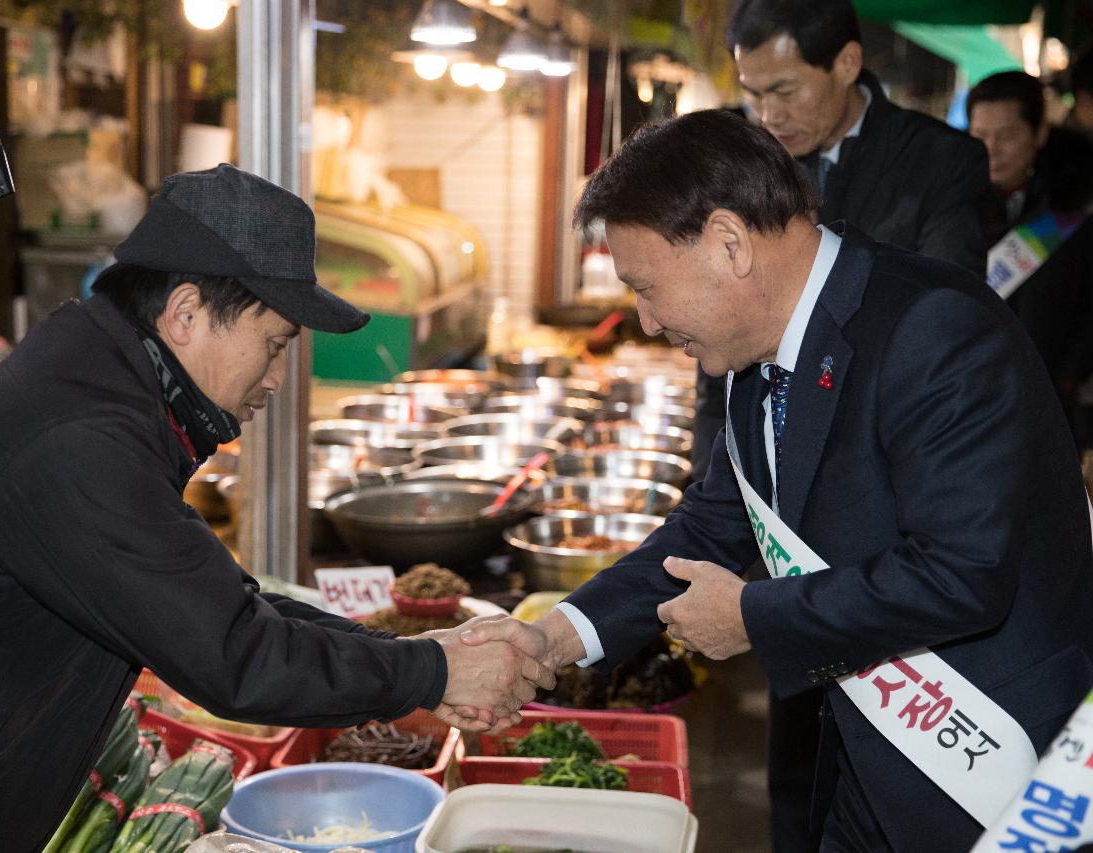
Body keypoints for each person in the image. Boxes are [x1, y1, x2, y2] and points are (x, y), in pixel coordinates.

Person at [0, 165, 548, 851]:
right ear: (186, 312)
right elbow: (234, 654)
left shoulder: (94, 399)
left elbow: (227, 607)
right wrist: (428, 673)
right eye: (274, 342)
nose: (278, 377)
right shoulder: (74, 440)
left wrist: (421, 662)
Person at [466, 109, 1093, 852]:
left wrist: (754, 617)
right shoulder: (757, 360)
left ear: (729, 243)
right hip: (872, 761)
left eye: (645, 285)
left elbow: (964, 572)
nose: (645, 320)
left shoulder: (933, 328)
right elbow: (706, 530)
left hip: (990, 770)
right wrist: (547, 639)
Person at [684, 3, 994, 847]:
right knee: (800, 739)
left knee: (891, 763)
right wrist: (715, 491)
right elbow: (721, 347)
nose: (768, 114)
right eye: (752, 94)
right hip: (785, 505)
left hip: (885, 494)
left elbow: (948, 305)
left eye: (783, 89)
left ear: (848, 63)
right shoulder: (746, 163)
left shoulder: (941, 162)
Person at [968, 70, 1093, 437]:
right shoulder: (952, 205)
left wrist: (1071, 373)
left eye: (1006, 135)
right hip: (974, 401)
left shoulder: (1075, 207)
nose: (991, 149)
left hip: (1055, 402)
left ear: (1039, 133)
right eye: (979, 136)